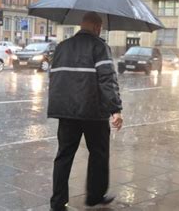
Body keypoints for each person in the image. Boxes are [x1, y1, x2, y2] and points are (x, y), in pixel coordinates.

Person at [48, 12, 123, 211]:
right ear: (98, 27)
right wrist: (115, 109)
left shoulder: (61, 47)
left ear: (82, 25)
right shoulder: (100, 47)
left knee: (63, 156)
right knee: (99, 153)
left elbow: (54, 79)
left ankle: (57, 203)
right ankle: (95, 196)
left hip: (67, 113)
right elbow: (107, 79)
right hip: (93, 112)